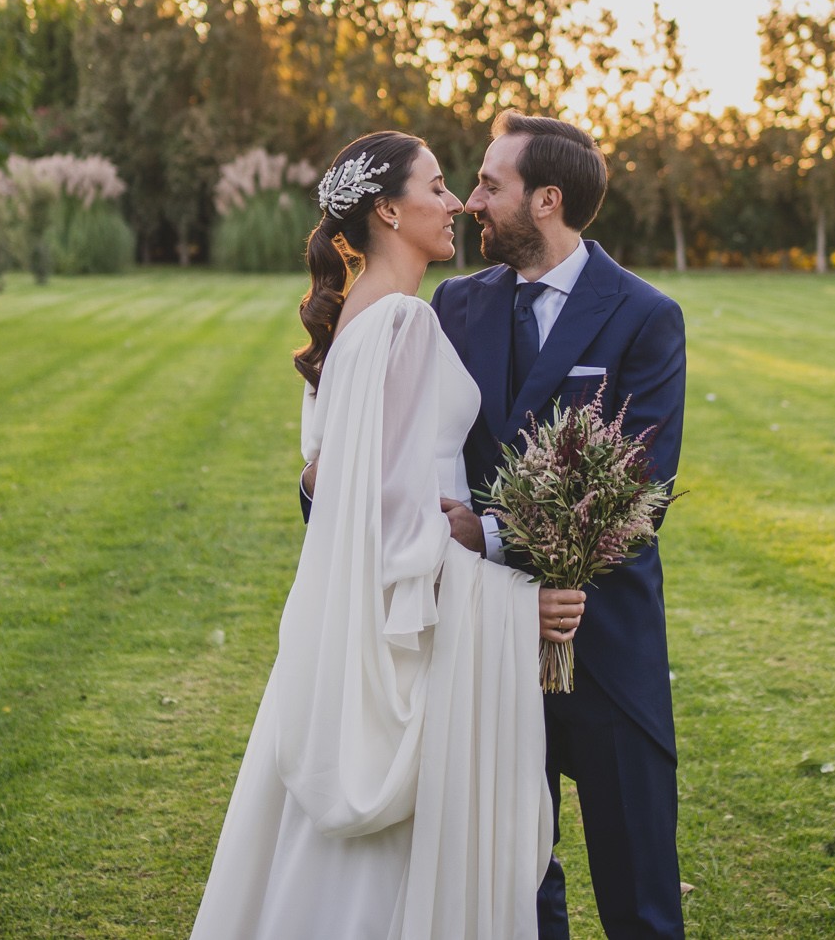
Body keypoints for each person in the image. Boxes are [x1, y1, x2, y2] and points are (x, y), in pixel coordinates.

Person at [192, 130, 585, 940]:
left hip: (361, 627)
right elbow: (401, 538)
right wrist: (520, 606)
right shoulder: (401, 325)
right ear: (388, 210)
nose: (456, 205)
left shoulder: (354, 327)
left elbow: (349, 499)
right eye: (439, 187)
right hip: (414, 637)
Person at [304, 113, 687, 940]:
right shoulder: (453, 303)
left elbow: (643, 487)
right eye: (464, 183)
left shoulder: (644, 316)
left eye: (489, 184)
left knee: (640, 885)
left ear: (546, 200)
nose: (472, 200)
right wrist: (328, 488)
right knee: (510, 870)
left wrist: (492, 532)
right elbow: (397, 447)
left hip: (603, 637)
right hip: (478, 650)